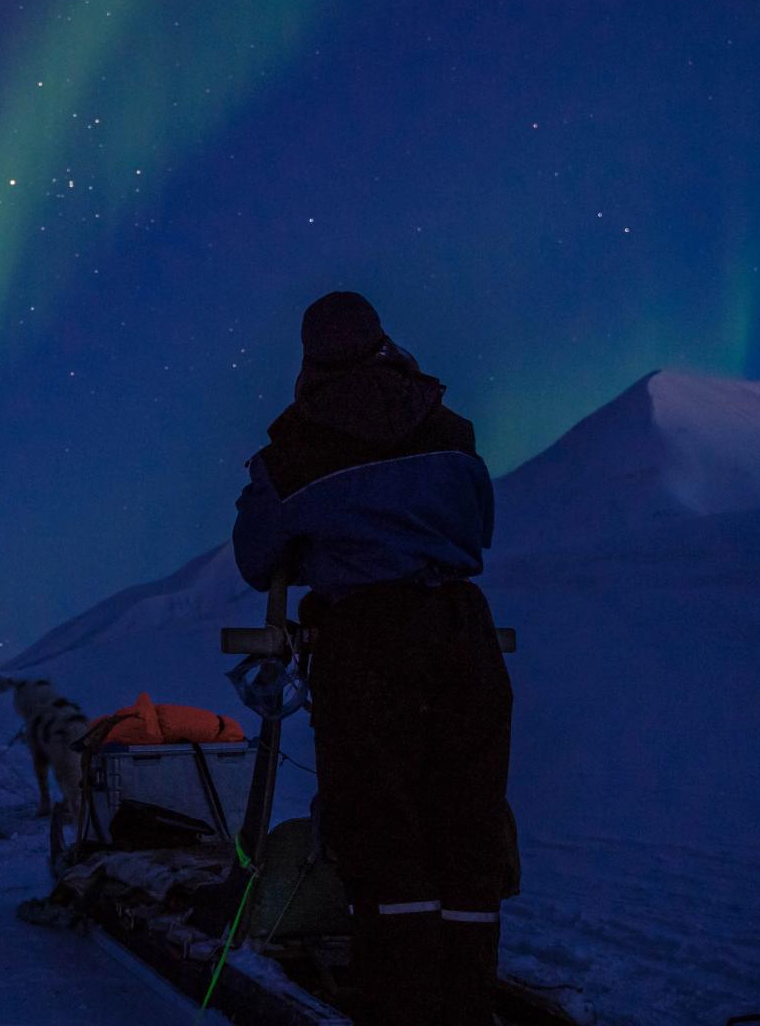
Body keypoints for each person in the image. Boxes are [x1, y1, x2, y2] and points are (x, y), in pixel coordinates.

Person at [231, 292, 510, 1026]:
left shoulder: (294, 452)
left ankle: (403, 1007)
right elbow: (479, 522)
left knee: (380, 830)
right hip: (462, 629)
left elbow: (258, 559)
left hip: (366, 637)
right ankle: (467, 1006)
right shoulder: (451, 428)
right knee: (466, 825)